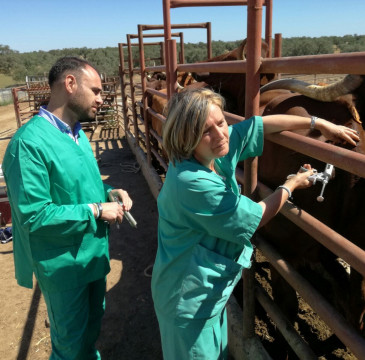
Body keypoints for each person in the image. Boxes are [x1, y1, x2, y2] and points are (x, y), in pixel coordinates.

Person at [151, 88, 359, 360]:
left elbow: (258, 125)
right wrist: (291, 184)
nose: (220, 134)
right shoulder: (192, 182)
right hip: (186, 303)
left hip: (207, 295)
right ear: (184, 136)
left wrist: (319, 123)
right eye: (205, 130)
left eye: (221, 122)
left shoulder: (212, 154)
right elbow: (254, 217)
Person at [2, 56, 133, 359]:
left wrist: (110, 192)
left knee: (90, 330)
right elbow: (34, 215)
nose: (102, 99)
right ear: (70, 84)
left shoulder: (77, 135)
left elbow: (82, 188)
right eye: (97, 91)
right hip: (62, 265)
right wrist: (97, 211)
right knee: (70, 346)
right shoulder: (28, 144)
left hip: (91, 256)